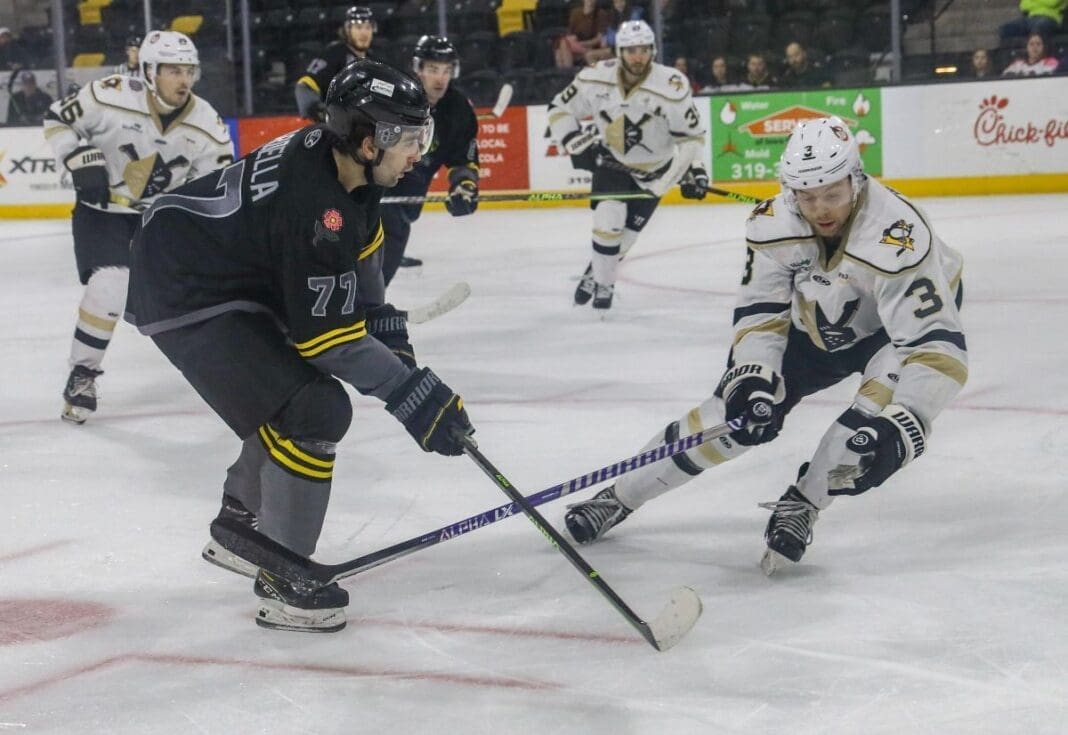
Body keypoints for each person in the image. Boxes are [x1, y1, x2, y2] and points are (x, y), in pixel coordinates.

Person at [126, 59, 475, 633]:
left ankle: (241, 526)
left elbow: (362, 266)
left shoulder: (343, 167)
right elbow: (327, 342)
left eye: (423, 136)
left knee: (297, 399)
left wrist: (393, 340)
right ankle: (282, 573)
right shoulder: (315, 208)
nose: (420, 152)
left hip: (232, 271)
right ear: (367, 142)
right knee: (314, 407)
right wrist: (412, 393)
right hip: (185, 288)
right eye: (408, 138)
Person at [563, 117, 968, 577]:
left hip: (891, 334)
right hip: (820, 322)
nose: (820, 208)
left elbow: (936, 349)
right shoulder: (773, 223)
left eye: (831, 193)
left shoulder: (900, 236)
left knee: (866, 433)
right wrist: (753, 375)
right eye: (806, 195)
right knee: (727, 421)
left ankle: (806, 503)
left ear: (855, 178)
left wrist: (905, 425)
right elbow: (761, 310)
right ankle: (618, 497)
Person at [43, 31, 233, 424]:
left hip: (160, 222)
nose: (183, 80)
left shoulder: (207, 124)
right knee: (111, 285)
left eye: (189, 71)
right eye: (173, 70)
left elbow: (216, 186)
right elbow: (57, 118)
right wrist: (78, 156)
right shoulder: (109, 94)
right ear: (149, 71)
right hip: (104, 211)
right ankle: (83, 374)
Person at [549, 20, 709, 312]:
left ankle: (595, 272)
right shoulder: (594, 78)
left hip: (656, 173)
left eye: (644, 50)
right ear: (619, 51)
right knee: (607, 224)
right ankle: (604, 287)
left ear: (654, 51)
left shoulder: (672, 85)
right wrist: (573, 140)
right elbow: (559, 108)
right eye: (632, 50)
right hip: (612, 164)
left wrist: (695, 169)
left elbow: (692, 137)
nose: (638, 56)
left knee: (623, 241)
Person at [380, 35, 479, 286]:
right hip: (375, 189)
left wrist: (465, 188)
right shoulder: (395, 98)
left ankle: (365, 309)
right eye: (433, 69)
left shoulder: (458, 109)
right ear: (418, 69)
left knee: (395, 236)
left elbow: (463, 160)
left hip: (408, 200)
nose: (440, 78)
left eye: (446, 70)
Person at [295, 5, 376, 121]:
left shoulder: (374, 59)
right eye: (358, 27)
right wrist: (318, 109)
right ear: (348, 30)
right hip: (338, 127)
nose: (364, 33)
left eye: (368, 28)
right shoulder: (334, 53)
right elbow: (305, 85)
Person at [554, 0, 611, 69]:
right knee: (560, 47)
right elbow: (570, 34)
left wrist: (581, 43)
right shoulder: (575, 13)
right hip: (573, 44)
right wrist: (574, 41)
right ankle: (565, 73)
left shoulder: (601, 14)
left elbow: (598, 39)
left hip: (590, 46)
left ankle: (567, 73)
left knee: (563, 43)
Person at [999, 0, 1065, 45]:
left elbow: (1052, 2)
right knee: (1006, 29)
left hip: (1050, 17)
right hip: (1031, 17)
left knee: (1039, 27)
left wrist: (1033, 2)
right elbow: (1023, 6)